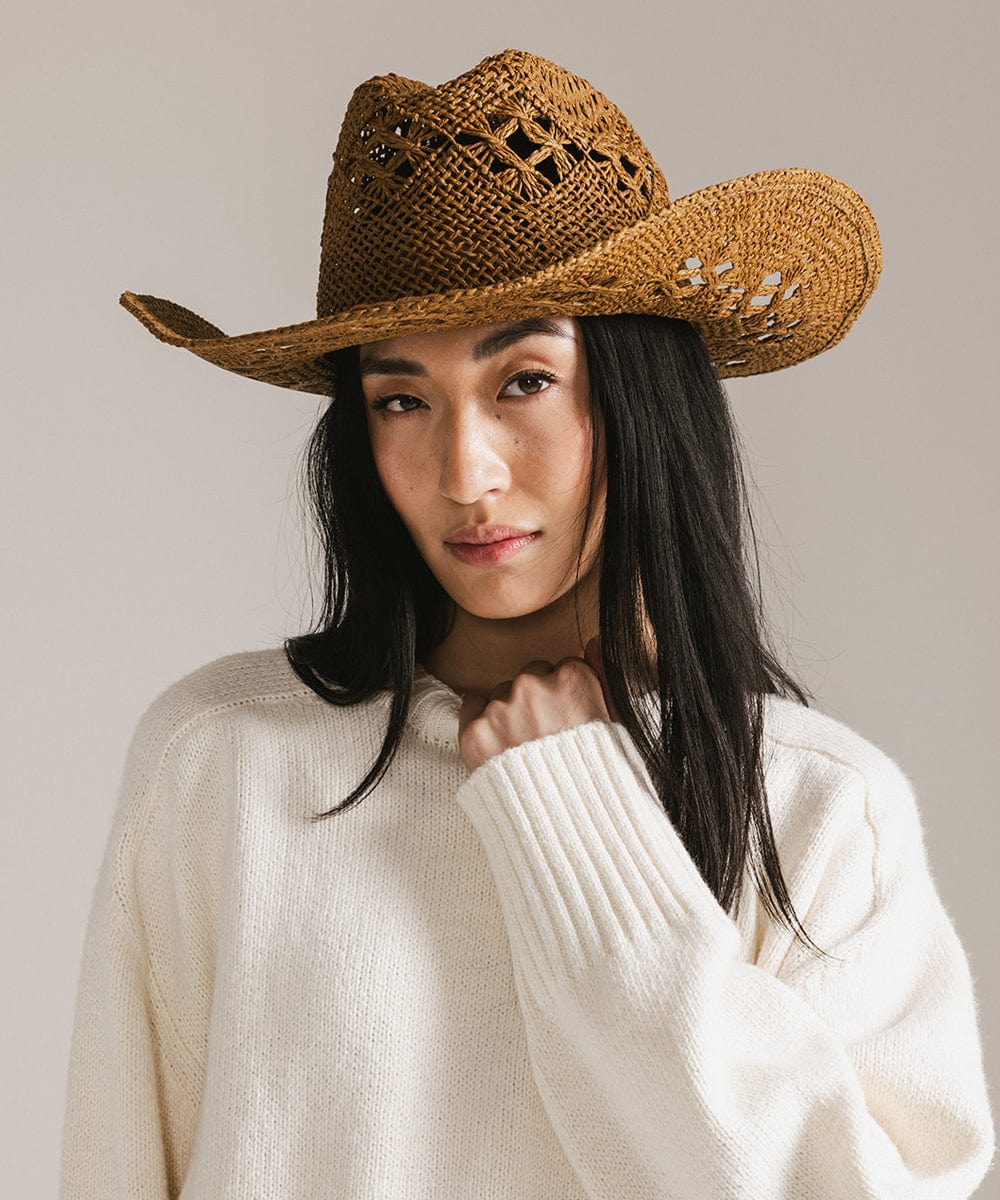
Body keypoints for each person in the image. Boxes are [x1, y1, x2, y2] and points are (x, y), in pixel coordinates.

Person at [59, 48, 995, 1200]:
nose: (463, 470)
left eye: (523, 382)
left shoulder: (813, 807)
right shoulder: (220, 760)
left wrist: (578, 818)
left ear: (638, 395)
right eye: (400, 399)